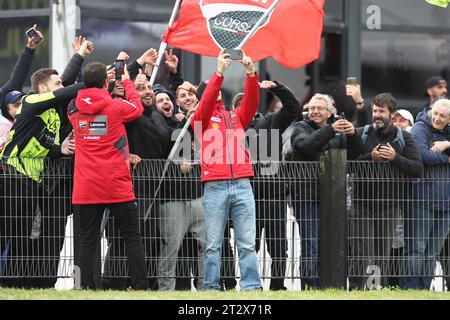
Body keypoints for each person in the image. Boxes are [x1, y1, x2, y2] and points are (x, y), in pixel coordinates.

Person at [0, 38, 93, 288]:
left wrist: (58, 150)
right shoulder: (31, 101)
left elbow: (64, 84)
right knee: (5, 234)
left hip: (30, 182)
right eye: (56, 84)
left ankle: (15, 286)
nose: (61, 86)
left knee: (21, 239)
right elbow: (65, 88)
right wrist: (94, 82)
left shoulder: (51, 111)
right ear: (43, 88)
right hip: (11, 175)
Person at [68, 61, 147, 290]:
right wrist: (127, 81)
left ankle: (85, 287)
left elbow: (84, 105)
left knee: (87, 240)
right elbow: (137, 108)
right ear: (106, 82)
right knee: (131, 236)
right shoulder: (115, 106)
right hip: (116, 183)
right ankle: (141, 287)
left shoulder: (73, 107)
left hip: (87, 185)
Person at [191, 49, 261, 291]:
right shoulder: (200, 117)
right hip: (215, 185)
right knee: (212, 244)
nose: (218, 89)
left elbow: (251, 103)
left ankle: (252, 287)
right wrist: (219, 72)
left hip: (242, 183)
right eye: (212, 87)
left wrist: (251, 74)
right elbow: (207, 102)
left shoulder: (234, 116)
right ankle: (211, 287)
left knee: (247, 243)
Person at [349, 93, 424, 290]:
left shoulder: (404, 138)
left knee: (382, 254)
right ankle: (358, 290)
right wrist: (369, 158)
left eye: (381, 111)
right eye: (374, 111)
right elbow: (345, 165)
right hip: (361, 204)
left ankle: (375, 290)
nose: (376, 115)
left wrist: (394, 157)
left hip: (389, 206)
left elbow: (418, 169)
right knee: (362, 254)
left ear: (392, 113)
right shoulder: (361, 133)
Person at [290, 93, 363, 289]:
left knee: (332, 245)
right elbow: (305, 146)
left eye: (319, 108)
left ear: (331, 112)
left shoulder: (339, 131)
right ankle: (310, 288)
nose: (314, 111)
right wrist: (331, 130)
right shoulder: (300, 127)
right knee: (311, 246)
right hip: (307, 198)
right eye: (312, 108)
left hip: (334, 198)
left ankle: (329, 287)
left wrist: (353, 134)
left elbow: (356, 153)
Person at [401, 99, 450, 289]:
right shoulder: (420, 128)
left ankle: (424, 289)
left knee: (432, 251)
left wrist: (446, 143)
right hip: (421, 198)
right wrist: (446, 160)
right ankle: (409, 289)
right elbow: (422, 155)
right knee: (416, 249)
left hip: (446, 203)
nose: (436, 118)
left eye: (442, 116)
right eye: (435, 113)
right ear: (430, 110)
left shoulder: (446, 133)